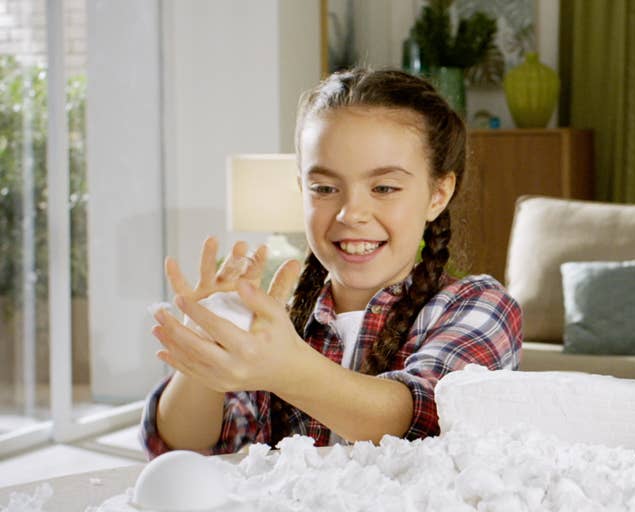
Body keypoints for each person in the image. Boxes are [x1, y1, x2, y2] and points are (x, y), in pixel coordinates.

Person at [142, 68, 522, 457]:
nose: (351, 213)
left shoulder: (480, 306)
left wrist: (286, 370)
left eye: (384, 188)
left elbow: (428, 417)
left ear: (438, 194)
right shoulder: (278, 324)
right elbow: (182, 447)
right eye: (324, 188)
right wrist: (209, 349)